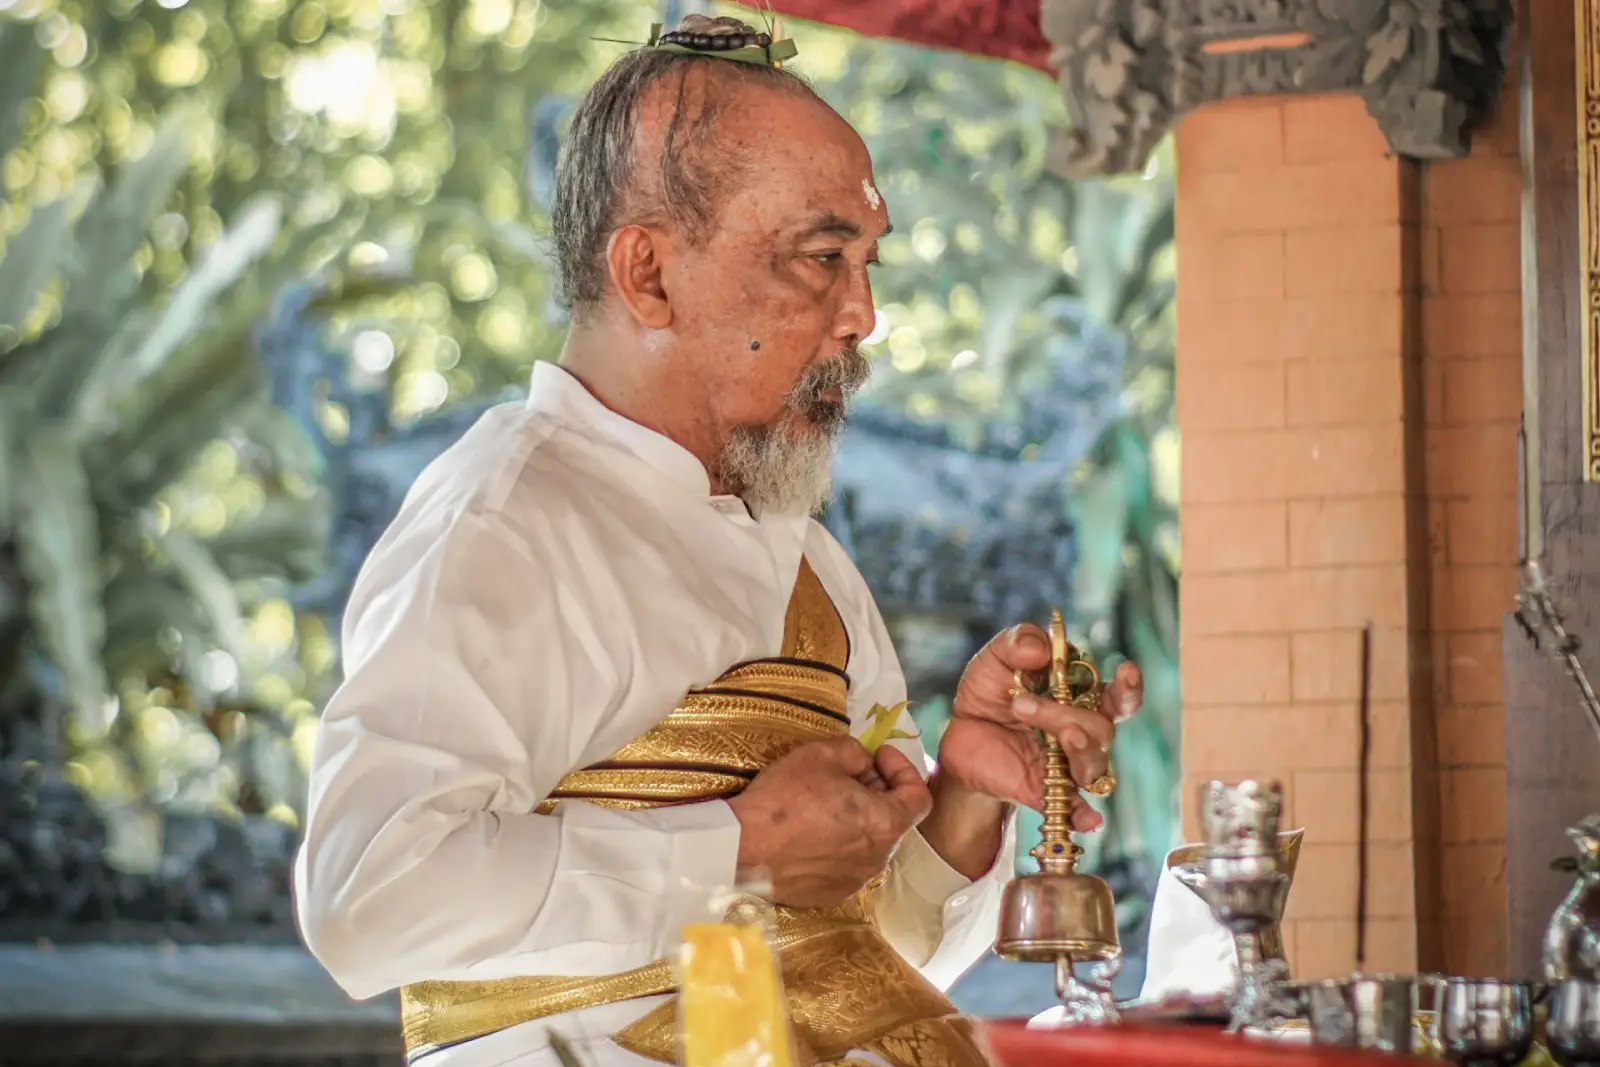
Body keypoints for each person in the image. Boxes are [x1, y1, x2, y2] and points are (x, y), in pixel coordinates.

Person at [293, 15, 1145, 1067]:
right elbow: (366, 899)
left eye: (866, 261)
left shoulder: (808, 559)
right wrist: (737, 846)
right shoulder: (504, 522)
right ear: (647, 272)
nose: (862, 315)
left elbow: (852, 958)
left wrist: (963, 796)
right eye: (820, 258)